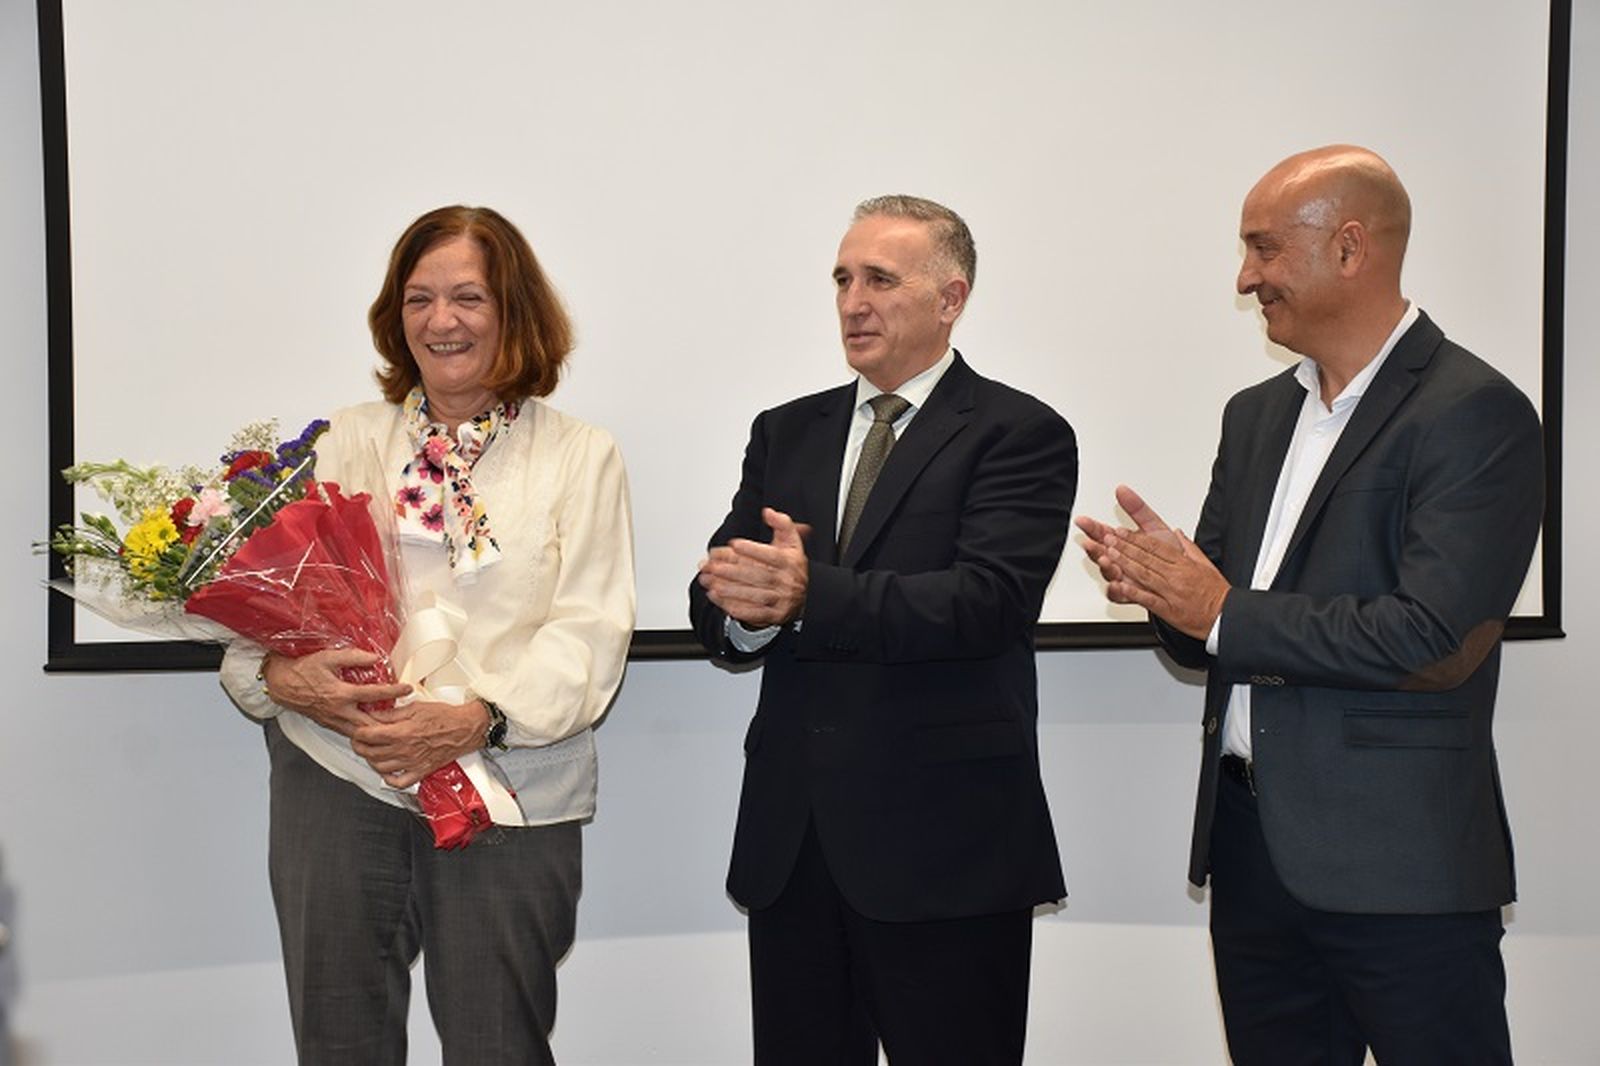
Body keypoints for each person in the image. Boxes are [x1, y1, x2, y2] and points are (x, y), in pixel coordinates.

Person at [1077, 146, 1543, 1064]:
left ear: (1351, 248)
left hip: (1404, 870)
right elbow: (1214, 627)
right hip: (1253, 857)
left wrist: (1220, 611)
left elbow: (1434, 638)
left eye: (1264, 249)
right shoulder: (1253, 416)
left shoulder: (1474, 412)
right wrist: (1168, 597)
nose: (1245, 277)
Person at [219, 205, 635, 1065]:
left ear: (515, 311)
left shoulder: (580, 454)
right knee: (338, 1043)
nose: (441, 321)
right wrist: (278, 677)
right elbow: (266, 606)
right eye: (419, 299)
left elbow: (590, 631)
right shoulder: (341, 441)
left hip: (508, 788)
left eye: (468, 298)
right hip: (339, 778)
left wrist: (477, 718)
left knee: (497, 1047)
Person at [691, 195, 1077, 1065]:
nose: (853, 302)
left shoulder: (1020, 433)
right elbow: (722, 588)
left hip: (947, 844)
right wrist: (743, 617)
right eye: (841, 279)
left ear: (951, 298)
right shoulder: (786, 430)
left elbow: (987, 602)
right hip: (797, 841)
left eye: (880, 280)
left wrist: (806, 596)